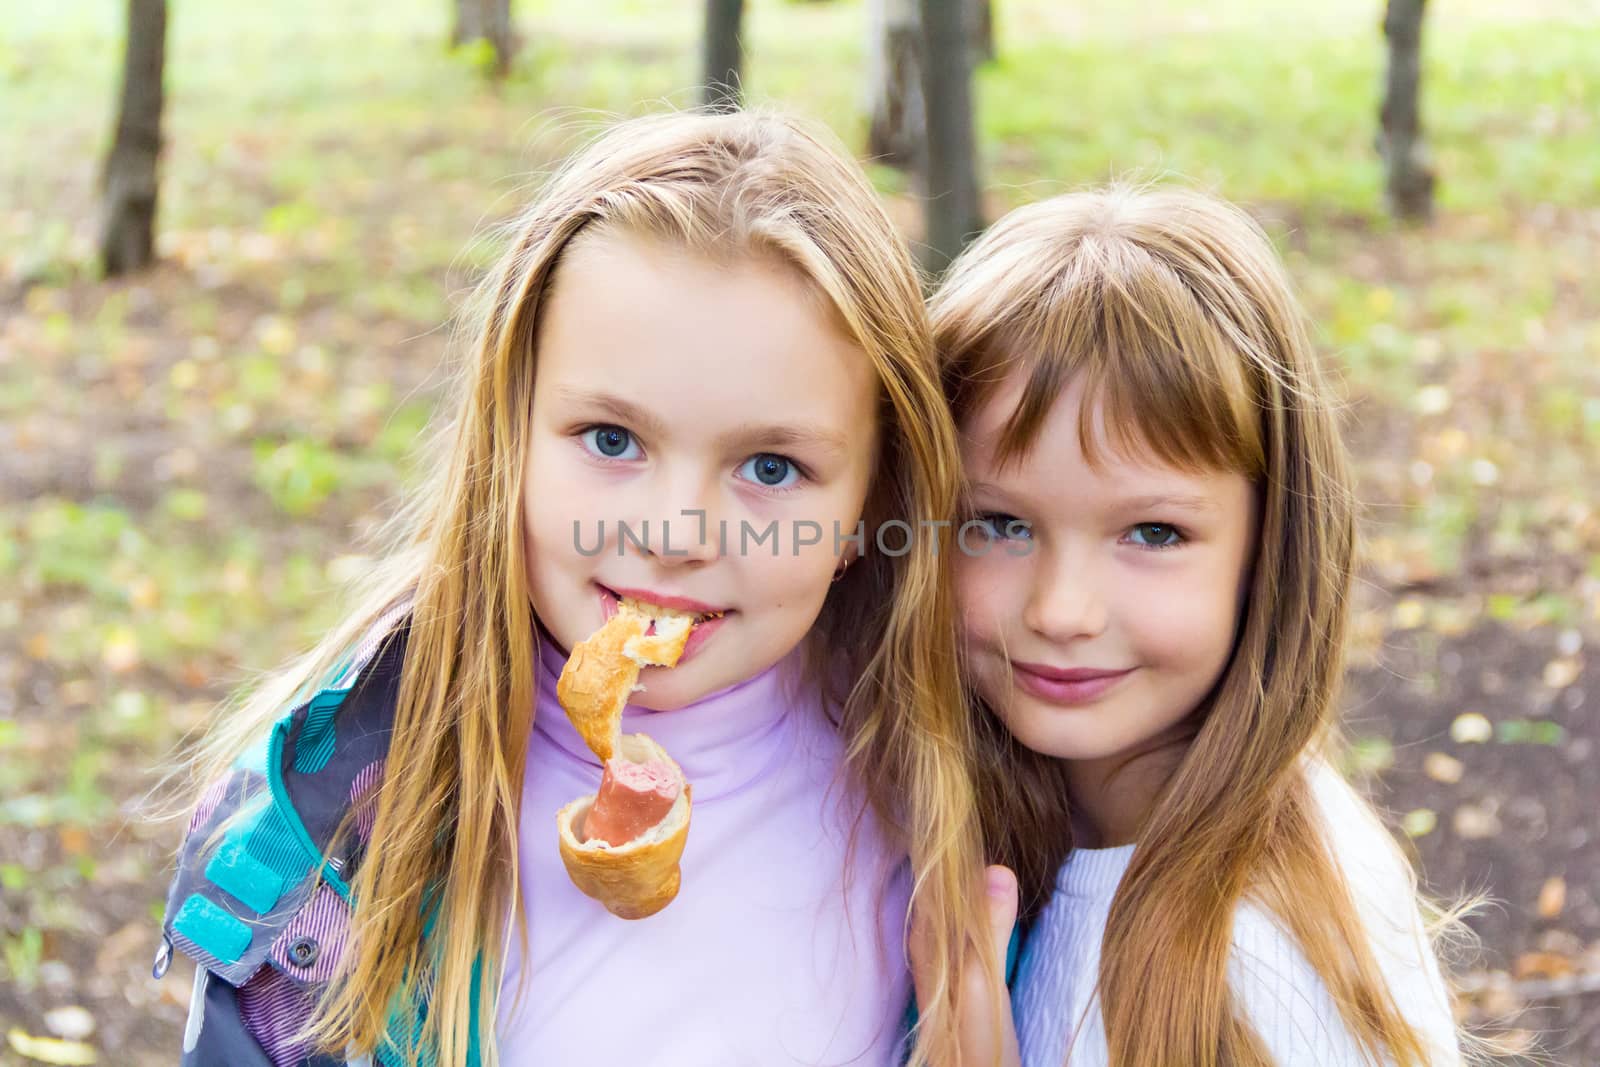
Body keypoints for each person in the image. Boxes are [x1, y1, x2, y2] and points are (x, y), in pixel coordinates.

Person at [157, 109, 997, 1067]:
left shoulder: (938, 780)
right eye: (612, 440)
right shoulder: (336, 820)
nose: (675, 533)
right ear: (508, 438)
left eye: (769, 468)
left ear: (866, 505)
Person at [922, 185, 1465, 1066]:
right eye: (1000, 524)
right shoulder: (1047, 822)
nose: (1061, 610)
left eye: (1153, 532)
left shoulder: (1259, 964)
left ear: (1270, 548)